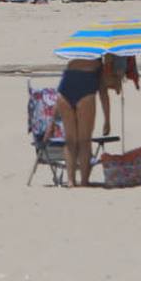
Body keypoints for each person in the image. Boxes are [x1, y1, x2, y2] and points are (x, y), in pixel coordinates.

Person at [55, 57, 103, 187]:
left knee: (70, 141)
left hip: (64, 89)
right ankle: (84, 181)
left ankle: (70, 181)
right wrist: (107, 119)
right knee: (85, 141)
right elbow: (103, 92)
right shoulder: (99, 61)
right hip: (85, 86)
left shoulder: (74, 57)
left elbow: (60, 89)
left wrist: (52, 122)